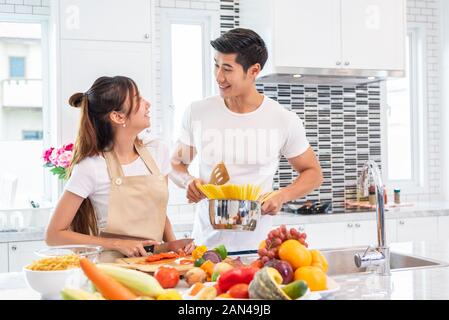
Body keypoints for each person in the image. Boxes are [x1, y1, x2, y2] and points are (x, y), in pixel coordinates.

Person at [170, 28, 323, 252]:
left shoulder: (282, 119)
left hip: (259, 248)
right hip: (206, 247)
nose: (218, 76)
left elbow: (313, 173)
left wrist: (282, 196)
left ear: (253, 71)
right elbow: (175, 164)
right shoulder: (198, 112)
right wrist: (187, 182)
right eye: (216, 65)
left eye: (227, 69)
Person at [46, 76, 193, 261]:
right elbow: (53, 235)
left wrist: (174, 249)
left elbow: (158, 211)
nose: (147, 103)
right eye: (138, 99)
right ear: (118, 116)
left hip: (156, 265)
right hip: (113, 269)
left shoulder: (157, 151)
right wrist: (117, 244)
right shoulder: (91, 166)